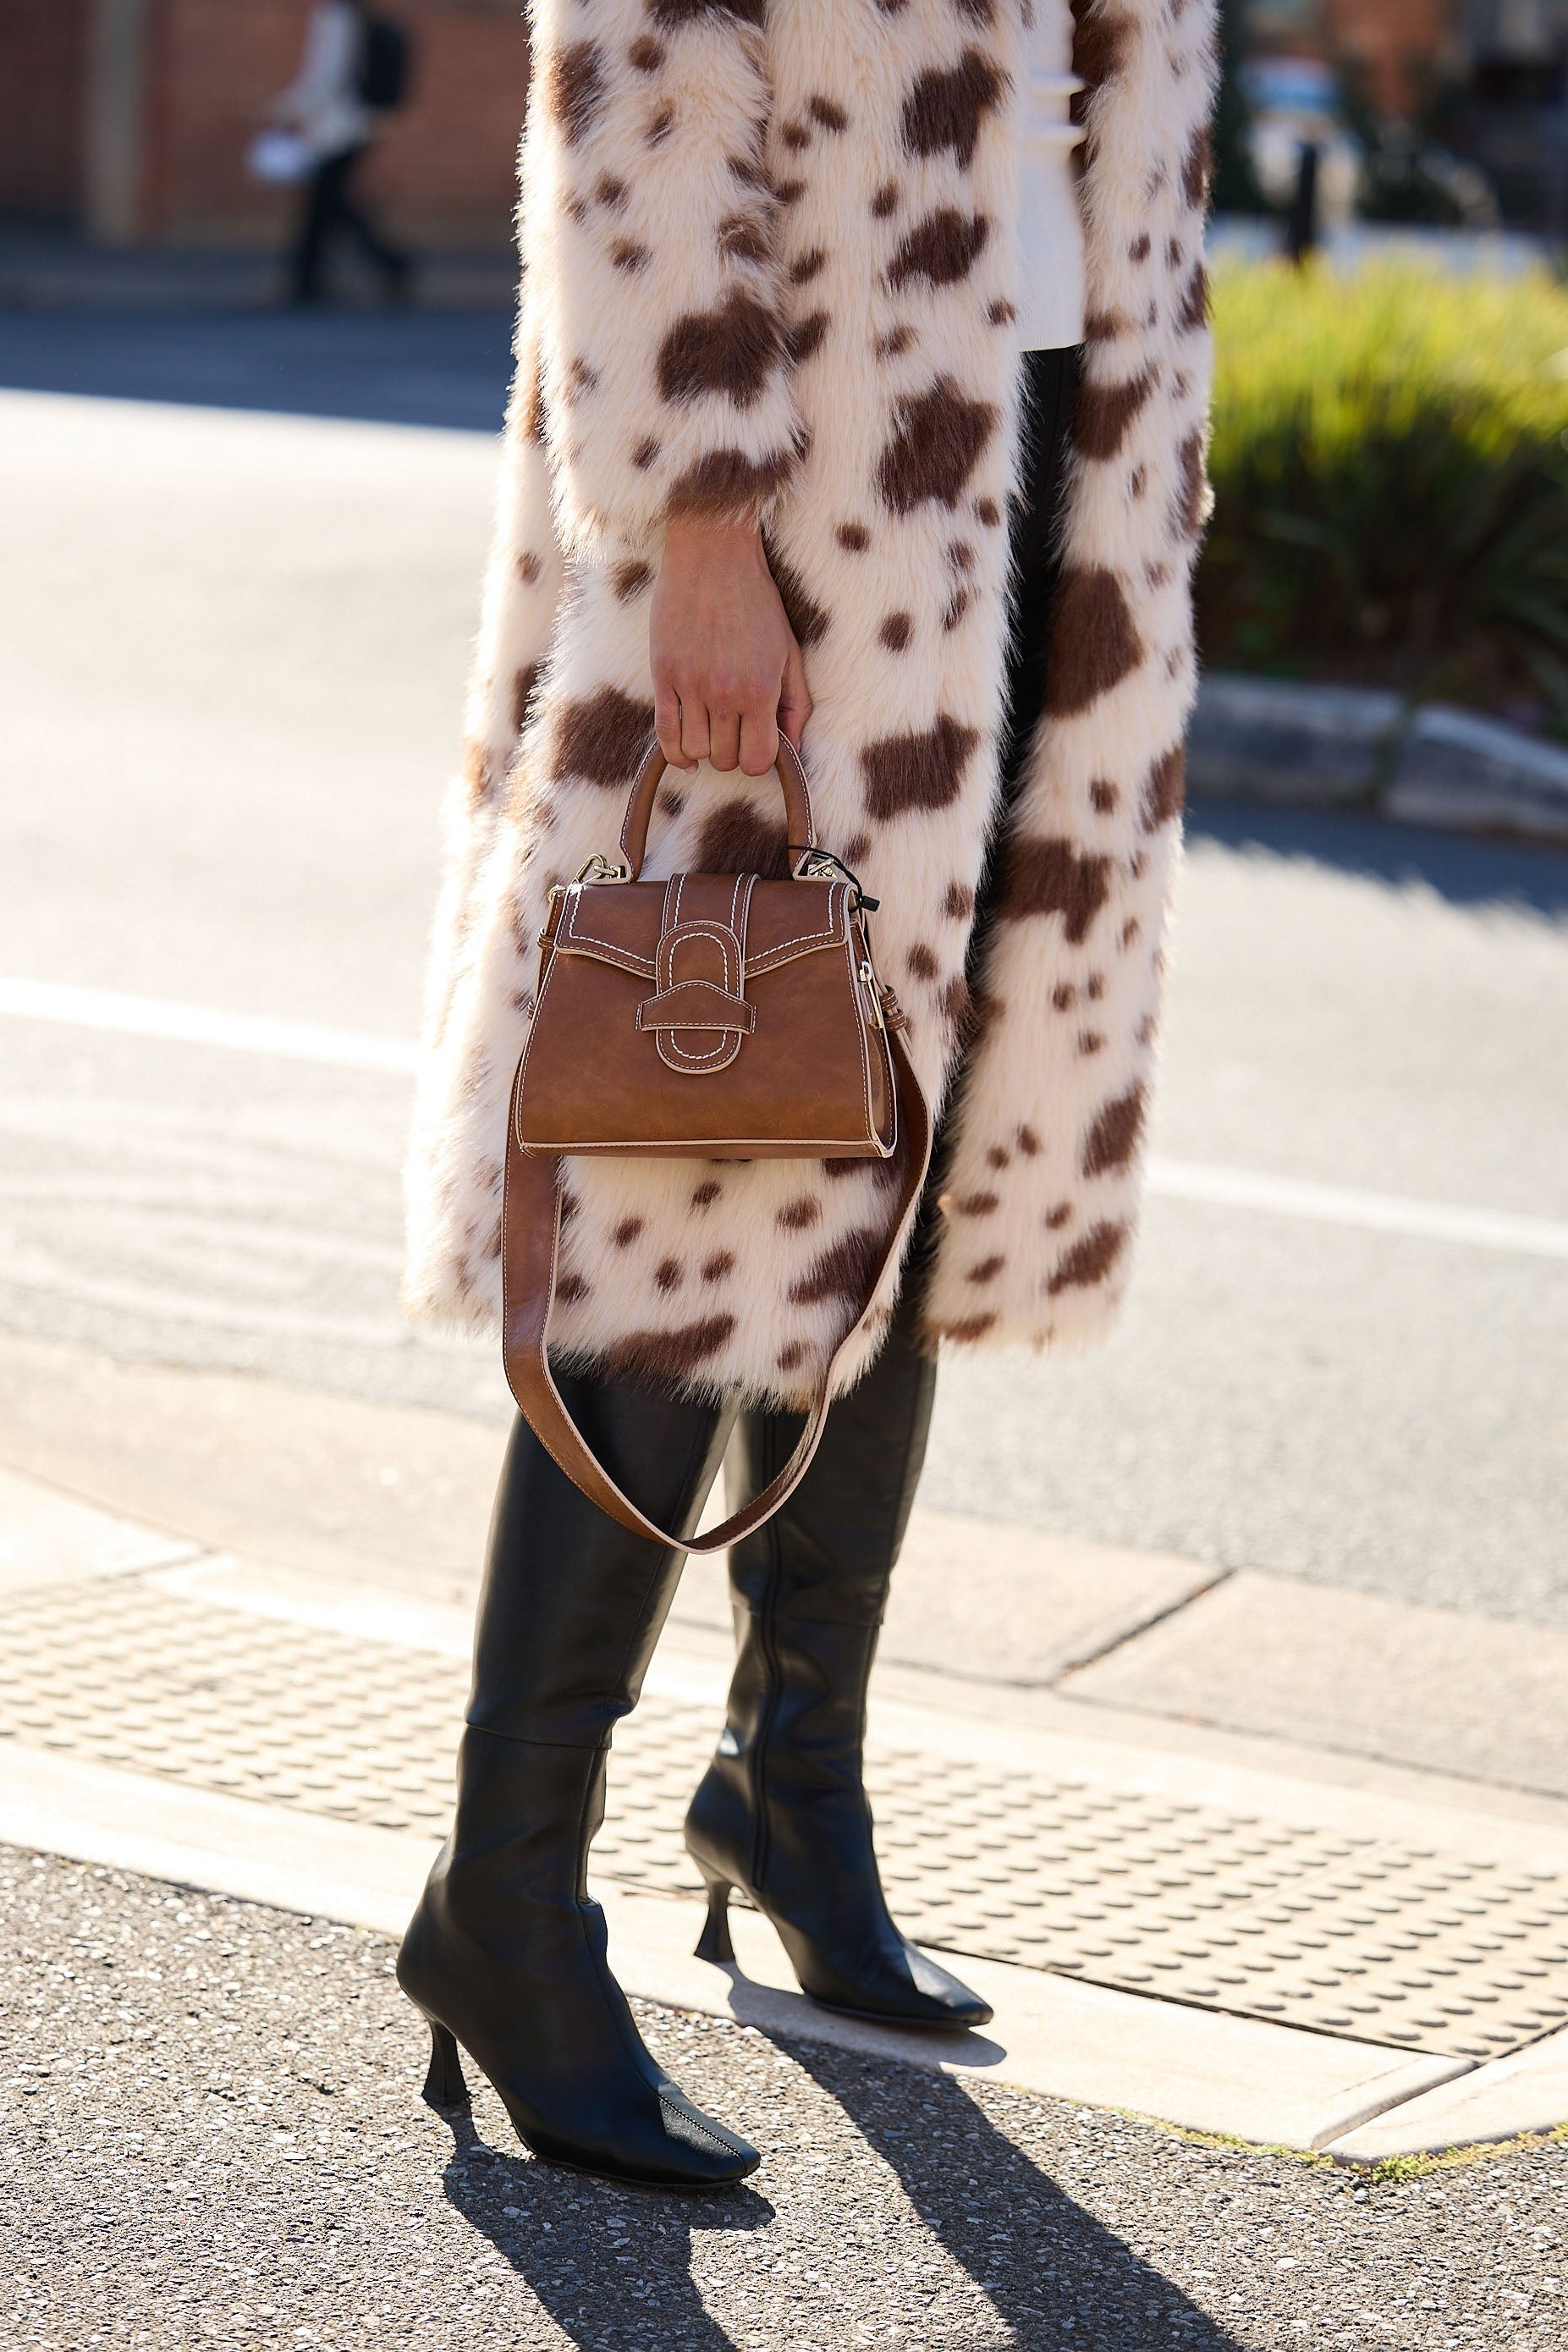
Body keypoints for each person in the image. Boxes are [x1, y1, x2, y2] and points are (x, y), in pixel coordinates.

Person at [399, 0, 1218, 2189]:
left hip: (1054, 467)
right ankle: (508, 1894)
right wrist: (695, 519)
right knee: (704, 1167)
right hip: (803, 493)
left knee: (926, 1172)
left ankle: (792, 1788)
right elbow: (638, 91)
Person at [269, 0, 410, 306]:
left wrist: (289, 109)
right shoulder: (353, 13)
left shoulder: (334, 15)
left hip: (337, 127)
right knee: (328, 203)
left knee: (329, 202)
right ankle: (310, 278)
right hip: (354, 123)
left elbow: (326, 76)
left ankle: (388, 265)